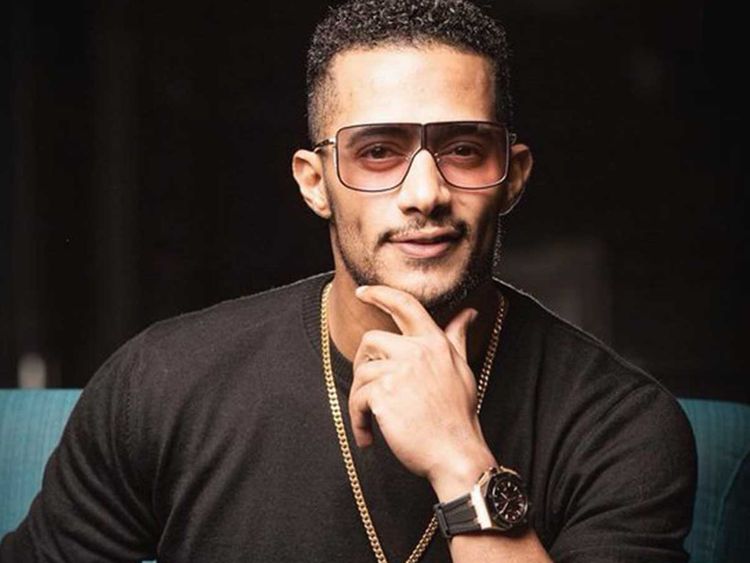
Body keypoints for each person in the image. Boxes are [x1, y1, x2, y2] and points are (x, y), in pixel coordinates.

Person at [1, 0, 696, 561]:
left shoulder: (622, 426)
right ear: (315, 183)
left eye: (463, 149)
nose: (424, 193)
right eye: (378, 151)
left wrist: (461, 463)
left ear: (511, 176)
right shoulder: (161, 382)